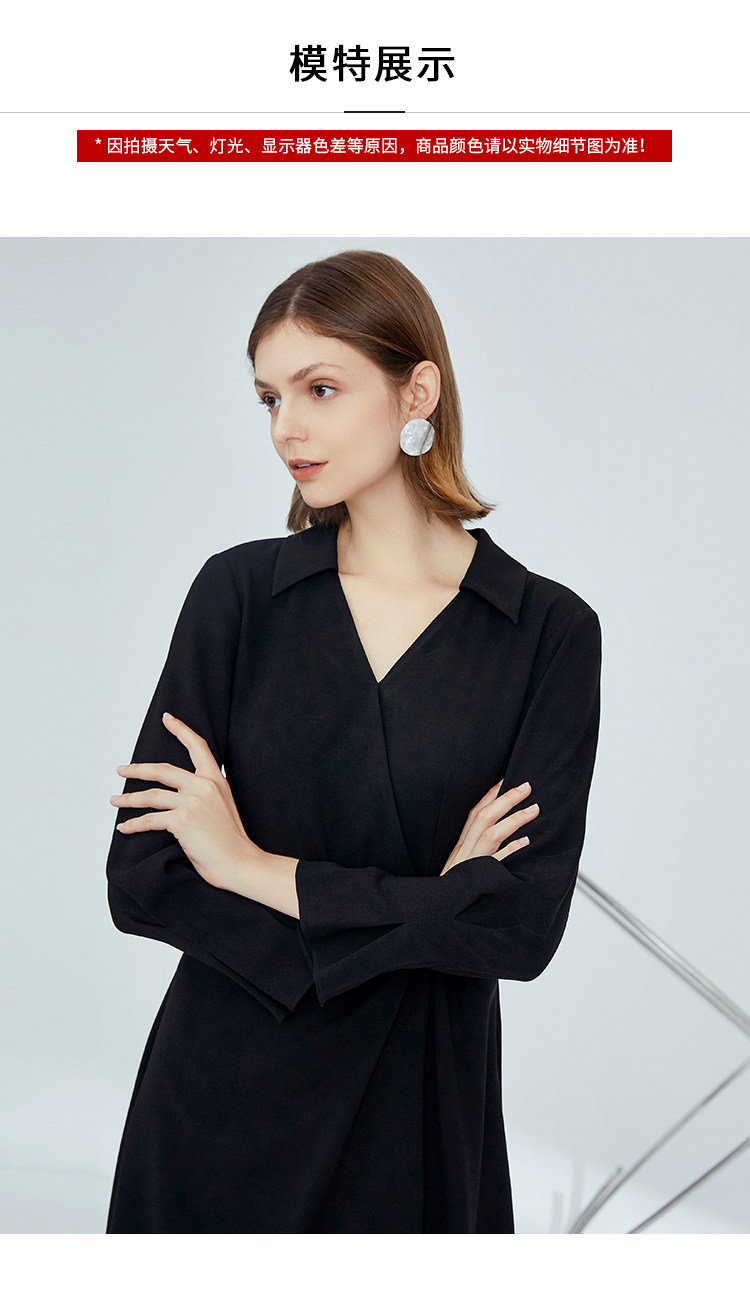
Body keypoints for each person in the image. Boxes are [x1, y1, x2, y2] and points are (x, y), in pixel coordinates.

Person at [105, 249, 602, 1234]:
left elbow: (518, 928)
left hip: (417, 1107)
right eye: (269, 397)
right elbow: (144, 879)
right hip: (219, 1098)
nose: (286, 427)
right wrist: (432, 906)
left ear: (417, 391)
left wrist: (249, 867)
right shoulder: (239, 596)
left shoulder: (548, 632)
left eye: (320, 389)